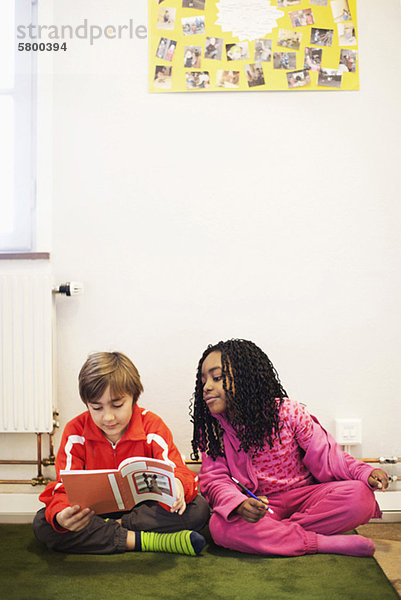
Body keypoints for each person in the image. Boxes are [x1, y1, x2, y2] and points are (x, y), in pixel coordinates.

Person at [190, 339, 389, 558]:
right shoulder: (212, 431)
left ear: (246, 377)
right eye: (203, 381)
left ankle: (279, 536)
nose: (207, 387)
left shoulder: (289, 413)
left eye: (217, 378)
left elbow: (330, 457)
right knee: (220, 526)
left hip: (305, 499)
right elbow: (216, 480)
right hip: (260, 507)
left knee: (361, 496)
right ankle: (322, 543)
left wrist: (365, 472)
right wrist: (239, 504)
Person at [33, 352, 209, 555]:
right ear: (87, 404)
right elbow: (64, 487)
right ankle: (148, 541)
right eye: (96, 407)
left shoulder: (152, 426)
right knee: (44, 522)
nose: (108, 417)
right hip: (94, 513)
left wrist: (178, 486)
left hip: (143, 512)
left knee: (199, 509)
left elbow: (179, 471)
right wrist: (62, 516)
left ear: (134, 398)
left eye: (117, 405)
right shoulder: (75, 432)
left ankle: (110, 531)